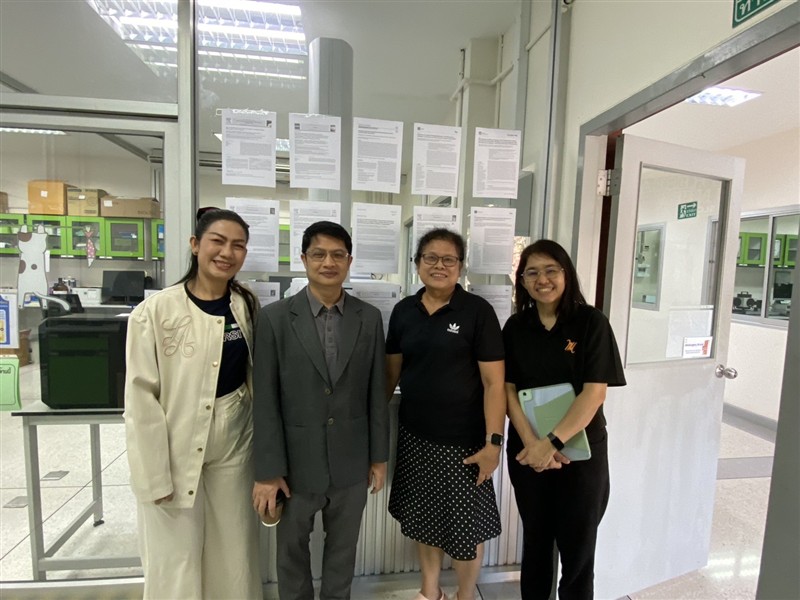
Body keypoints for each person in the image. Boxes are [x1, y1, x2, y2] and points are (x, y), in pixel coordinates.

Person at [124, 208, 261, 599]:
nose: (227, 253)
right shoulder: (155, 312)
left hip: (234, 440)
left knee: (233, 549)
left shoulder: (245, 304)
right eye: (218, 241)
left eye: (238, 245)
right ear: (195, 245)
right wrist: (153, 474)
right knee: (174, 555)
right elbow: (140, 398)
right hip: (174, 440)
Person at [252, 220, 389, 600]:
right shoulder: (275, 318)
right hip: (294, 466)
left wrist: (378, 458)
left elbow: (376, 392)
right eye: (319, 254)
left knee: (343, 554)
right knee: (291, 554)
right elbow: (265, 400)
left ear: (349, 261)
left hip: (351, 462)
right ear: (303, 259)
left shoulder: (369, 318)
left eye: (338, 255)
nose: (328, 262)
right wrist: (268, 470)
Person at [385, 228, 506, 600]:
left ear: (460, 266)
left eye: (448, 259)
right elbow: (390, 376)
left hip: (465, 444)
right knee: (423, 521)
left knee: (466, 531)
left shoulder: (477, 312)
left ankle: (465, 595)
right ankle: (430, 591)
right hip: (416, 437)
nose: (439, 265)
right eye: (431, 258)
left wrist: (493, 444)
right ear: (417, 263)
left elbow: (494, 384)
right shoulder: (404, 311)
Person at [502, 239, 626, 600]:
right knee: (536, 542)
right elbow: (508, 390)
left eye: (550, 270)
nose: (542, 279)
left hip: (580, 455)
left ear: (566, 274)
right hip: (528, 453)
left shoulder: (590, 323)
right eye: (532, 272)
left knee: (578, 548)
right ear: (522, 281)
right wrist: (533, 445)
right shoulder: (516, 327)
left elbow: (594, 393)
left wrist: (551, 443)